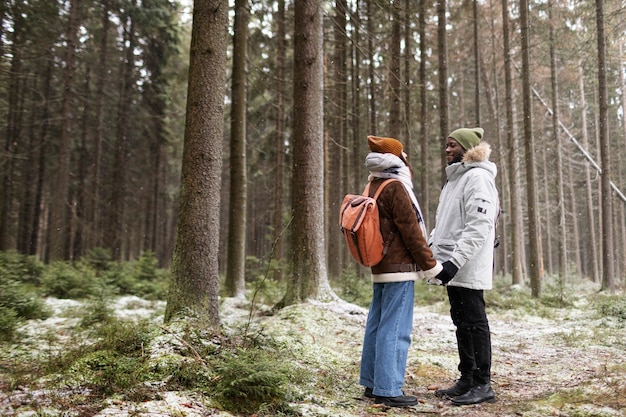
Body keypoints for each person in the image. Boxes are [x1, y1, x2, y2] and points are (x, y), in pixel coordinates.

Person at [359, 135, 443, 407]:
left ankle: (372, 383)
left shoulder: (374, 183)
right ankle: (388, 388)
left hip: (380, 264)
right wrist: (432, 266)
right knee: (396, 328)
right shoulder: (396, 186)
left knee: (377, 324)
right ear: (397, 158)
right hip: (399, 267)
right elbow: (411, 232)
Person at [428, 127, 499, 406]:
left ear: (468, 149)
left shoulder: (477, 178)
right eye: (446, 145)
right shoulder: (455, 180)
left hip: (466, 265)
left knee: (474, 322)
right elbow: (444, 224)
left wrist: (455, 262)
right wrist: (434, 256)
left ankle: (483, 384)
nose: (447, 150)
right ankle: (467, 378)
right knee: (461, 322)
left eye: (453, 145)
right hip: (450, 266)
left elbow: (478, 226)